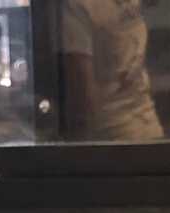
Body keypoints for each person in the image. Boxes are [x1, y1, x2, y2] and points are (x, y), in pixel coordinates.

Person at [60, 0, 164, 142]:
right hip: (139, 129)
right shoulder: (81, 7)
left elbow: (83, 95)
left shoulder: (78, 5)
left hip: (115, 133)